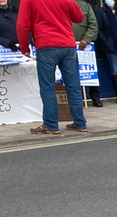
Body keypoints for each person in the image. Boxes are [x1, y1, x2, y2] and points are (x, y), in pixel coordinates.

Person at [17, 0, 87, 134]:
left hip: (46, 45)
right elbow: (79, 17)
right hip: (68, 46)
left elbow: (22, 25)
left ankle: (50, 125)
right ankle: (80, 123)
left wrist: (24, 47)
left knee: (47, 87)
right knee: (73, 86)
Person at [71, 0, 100, 106]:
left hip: (84, 46)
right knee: (70, 75)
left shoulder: (85, 6)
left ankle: (95, 98)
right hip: (66, 46)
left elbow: (93, 25)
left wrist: (86, 39)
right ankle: (75, 101)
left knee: (89, 73)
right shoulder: (59, 4)